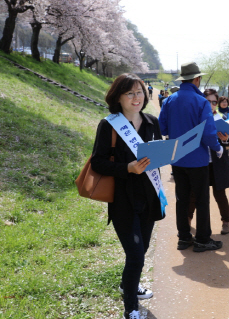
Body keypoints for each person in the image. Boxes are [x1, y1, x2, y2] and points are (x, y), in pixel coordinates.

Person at [91, 73, 165, 319]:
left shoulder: (152, 122)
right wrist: (127, 168)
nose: (137, 97)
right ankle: (131, 308)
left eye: (140, 92)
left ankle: (128, 286)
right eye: (130, 93)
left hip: (150, 197)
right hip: (123, 200)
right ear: (118, 97)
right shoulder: (109, 125)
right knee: (135, 256)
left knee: (140, 251)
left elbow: (158, 154)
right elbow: (98, 163)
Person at [158, 62, 224, 252]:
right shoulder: (201, 101)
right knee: (202, 199)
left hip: (177, 158)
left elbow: (163, 127)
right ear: (196, 79)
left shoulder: (170, 100)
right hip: (197, 159)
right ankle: (203, 239)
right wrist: (217, 148)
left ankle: (184, 238)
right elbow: (209, 132)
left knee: (182, 199)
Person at [188, 89, 229, 234]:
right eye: (208, 101)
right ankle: (187, 220)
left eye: (214, 102)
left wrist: (225, 139)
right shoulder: (195, 118)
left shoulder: (221, 118)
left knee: (219, 193)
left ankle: (226, 221)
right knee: (194, 194)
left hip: (217, 162)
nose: (212, 105)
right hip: (199, 161)